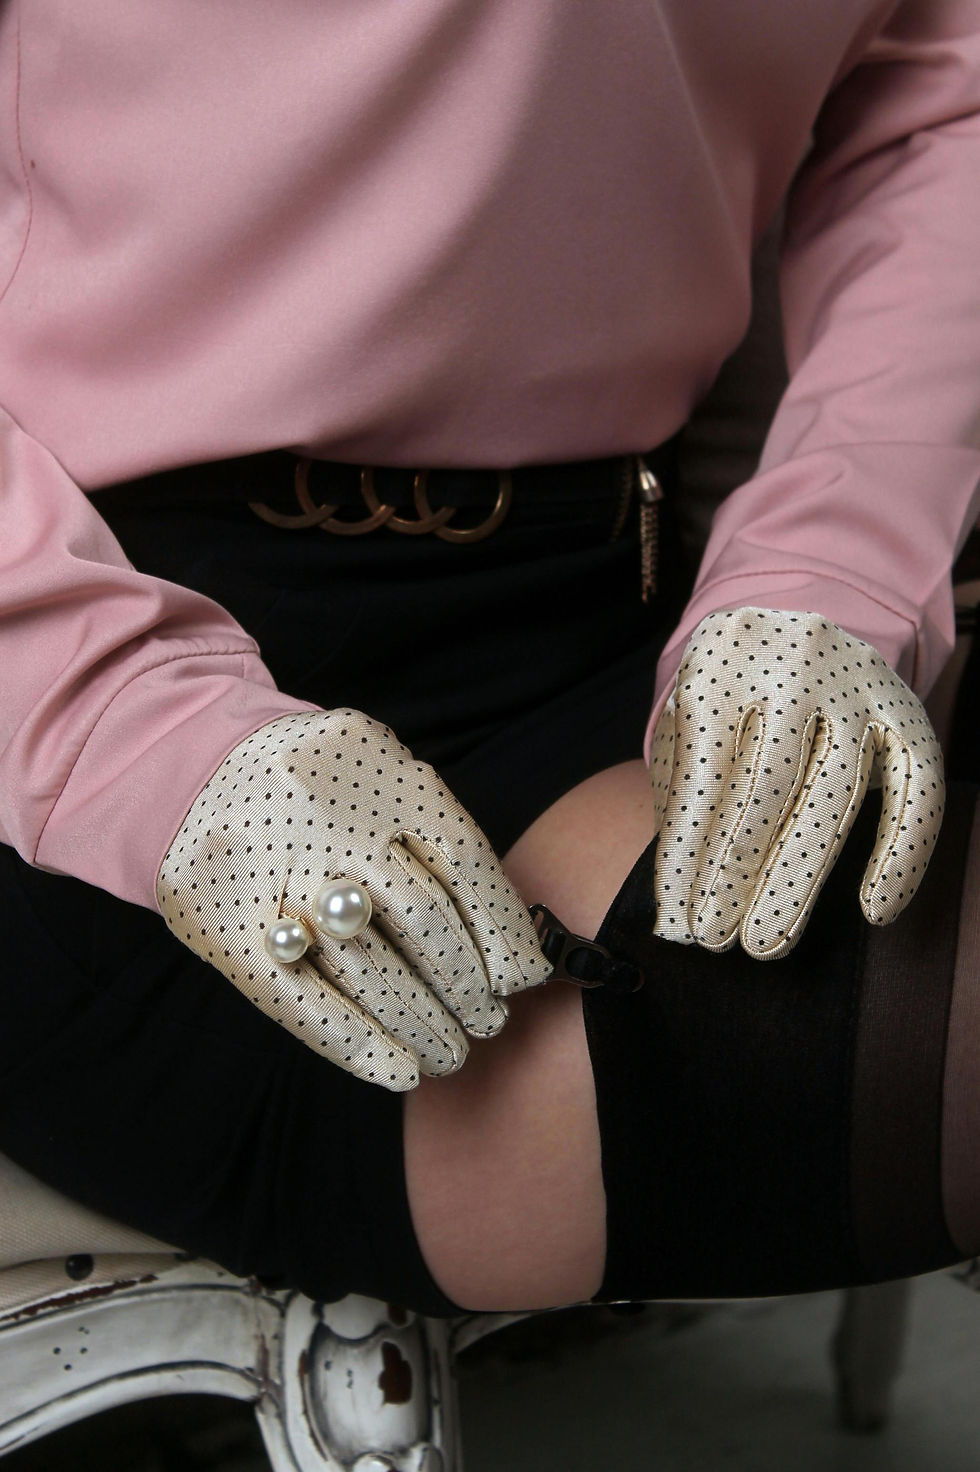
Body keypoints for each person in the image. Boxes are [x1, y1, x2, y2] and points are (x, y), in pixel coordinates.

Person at [0, 1, 978, 1314]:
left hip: (620, 626)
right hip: (70, 672)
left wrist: (833, 563)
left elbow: (940, 101)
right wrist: (125, 731)